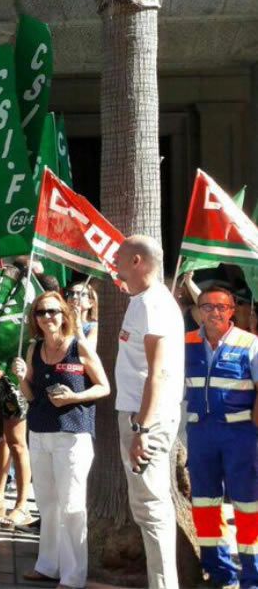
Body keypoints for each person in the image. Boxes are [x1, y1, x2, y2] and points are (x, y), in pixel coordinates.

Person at [12, 290, 109, 588]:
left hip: (73, 434)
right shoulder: (34, 348)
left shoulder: (79, 347)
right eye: (41, 312)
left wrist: (74, 397)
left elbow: (104, 387)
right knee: (47, 503)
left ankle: (73, 576)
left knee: (71, 505)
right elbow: (31, 396)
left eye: (52, 311)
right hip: (40, 432)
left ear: (64, 314)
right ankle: (48, 565)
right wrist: (21, 378)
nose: (47, 317)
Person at [111, 235, 184, 589]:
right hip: (140, 416)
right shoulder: (142, 301)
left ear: (137, 261)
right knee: (148, 508)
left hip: (145, 420)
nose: (115, 263)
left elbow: (159, 373)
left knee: (151, 508)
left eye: (119, 257)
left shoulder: (153, 304)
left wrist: (142, 428)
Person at [182, 286, 258, 589]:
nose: (214, 312)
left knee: (248, 504)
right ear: (198, 311)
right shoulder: (185, 342)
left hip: (240, 434)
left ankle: (252, 576)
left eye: (221, 307)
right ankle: (219, 572)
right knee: (204, 502)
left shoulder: (249, 343)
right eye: (208, 307)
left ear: (232, 311)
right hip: (200, 433)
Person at [63, 280, 100, 350]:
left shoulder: (93, 327)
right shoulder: (61, 323)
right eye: (71, 293)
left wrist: (77, 323)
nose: (74, 297)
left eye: (81, 294)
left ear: (90, 303)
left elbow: (89, 351)